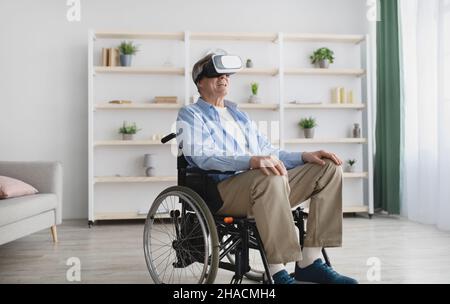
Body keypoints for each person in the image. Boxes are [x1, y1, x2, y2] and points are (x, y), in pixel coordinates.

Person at [176, 54, 358, 284]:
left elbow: (271, 153)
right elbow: (203, 157)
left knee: (328, 167)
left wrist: (304, 156)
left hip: (264, 184)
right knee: (268, 177)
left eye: (226, 75)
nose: (223, 78)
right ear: (200, 81)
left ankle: (310, 262)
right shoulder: (190, 114)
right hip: (223, 190)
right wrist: (250, 161)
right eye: (215, 74)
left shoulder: (238, 115)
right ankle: (278, 271)